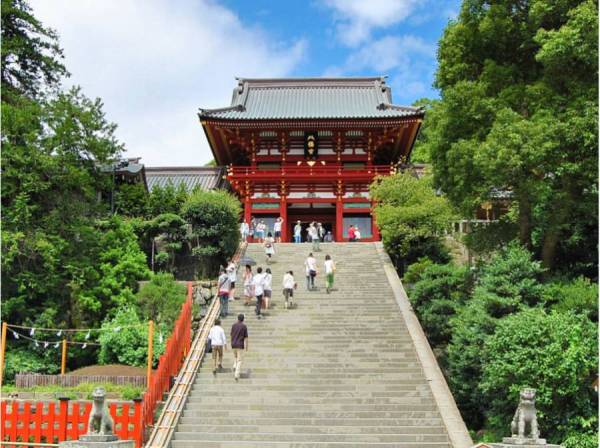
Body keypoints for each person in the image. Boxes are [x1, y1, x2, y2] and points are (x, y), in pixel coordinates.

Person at [230, 314, 248, 381]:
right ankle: (236, 374)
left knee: (235, 357)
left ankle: (235, 365)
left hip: (233, 344)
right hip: (240, 345)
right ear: (243, 319)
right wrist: (246, 346)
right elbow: (246, 338)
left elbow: (231, 335)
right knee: (240, 360)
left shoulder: (233, 325)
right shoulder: (244, 326)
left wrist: (231, 342)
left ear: (237, 318)